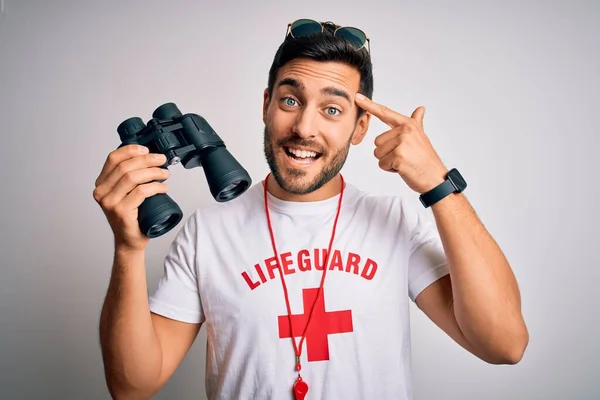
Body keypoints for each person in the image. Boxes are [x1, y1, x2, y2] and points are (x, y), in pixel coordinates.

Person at [93, 18, 529, 400]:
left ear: (360, 128)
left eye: (332, 109)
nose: (304, 127)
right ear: (266, 104)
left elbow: (504, 344)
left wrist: (439, 185)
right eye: (289, 100)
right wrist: (128, 250)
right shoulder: (206, 231)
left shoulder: (396, 222)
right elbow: (133, 386)